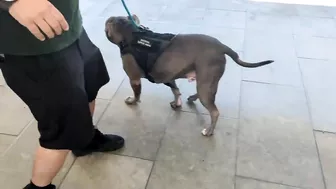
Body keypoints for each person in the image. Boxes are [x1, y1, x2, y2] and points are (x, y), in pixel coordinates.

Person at [0, 0, 125, 188]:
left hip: (67, 24)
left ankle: (85, 140)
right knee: (63, 124)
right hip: (28, 42)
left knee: (90, 82)